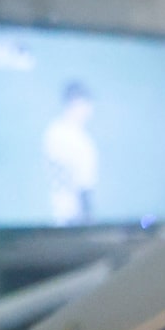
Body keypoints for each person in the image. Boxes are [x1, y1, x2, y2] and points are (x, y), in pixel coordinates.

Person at [43, 82, 97, 226]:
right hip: (71, 218)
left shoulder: (54, 131)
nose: (89, 109)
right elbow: (83, 186)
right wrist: (88, 223)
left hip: (62, 215)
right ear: (75, 103)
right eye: (86, 104)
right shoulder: (74, 138)